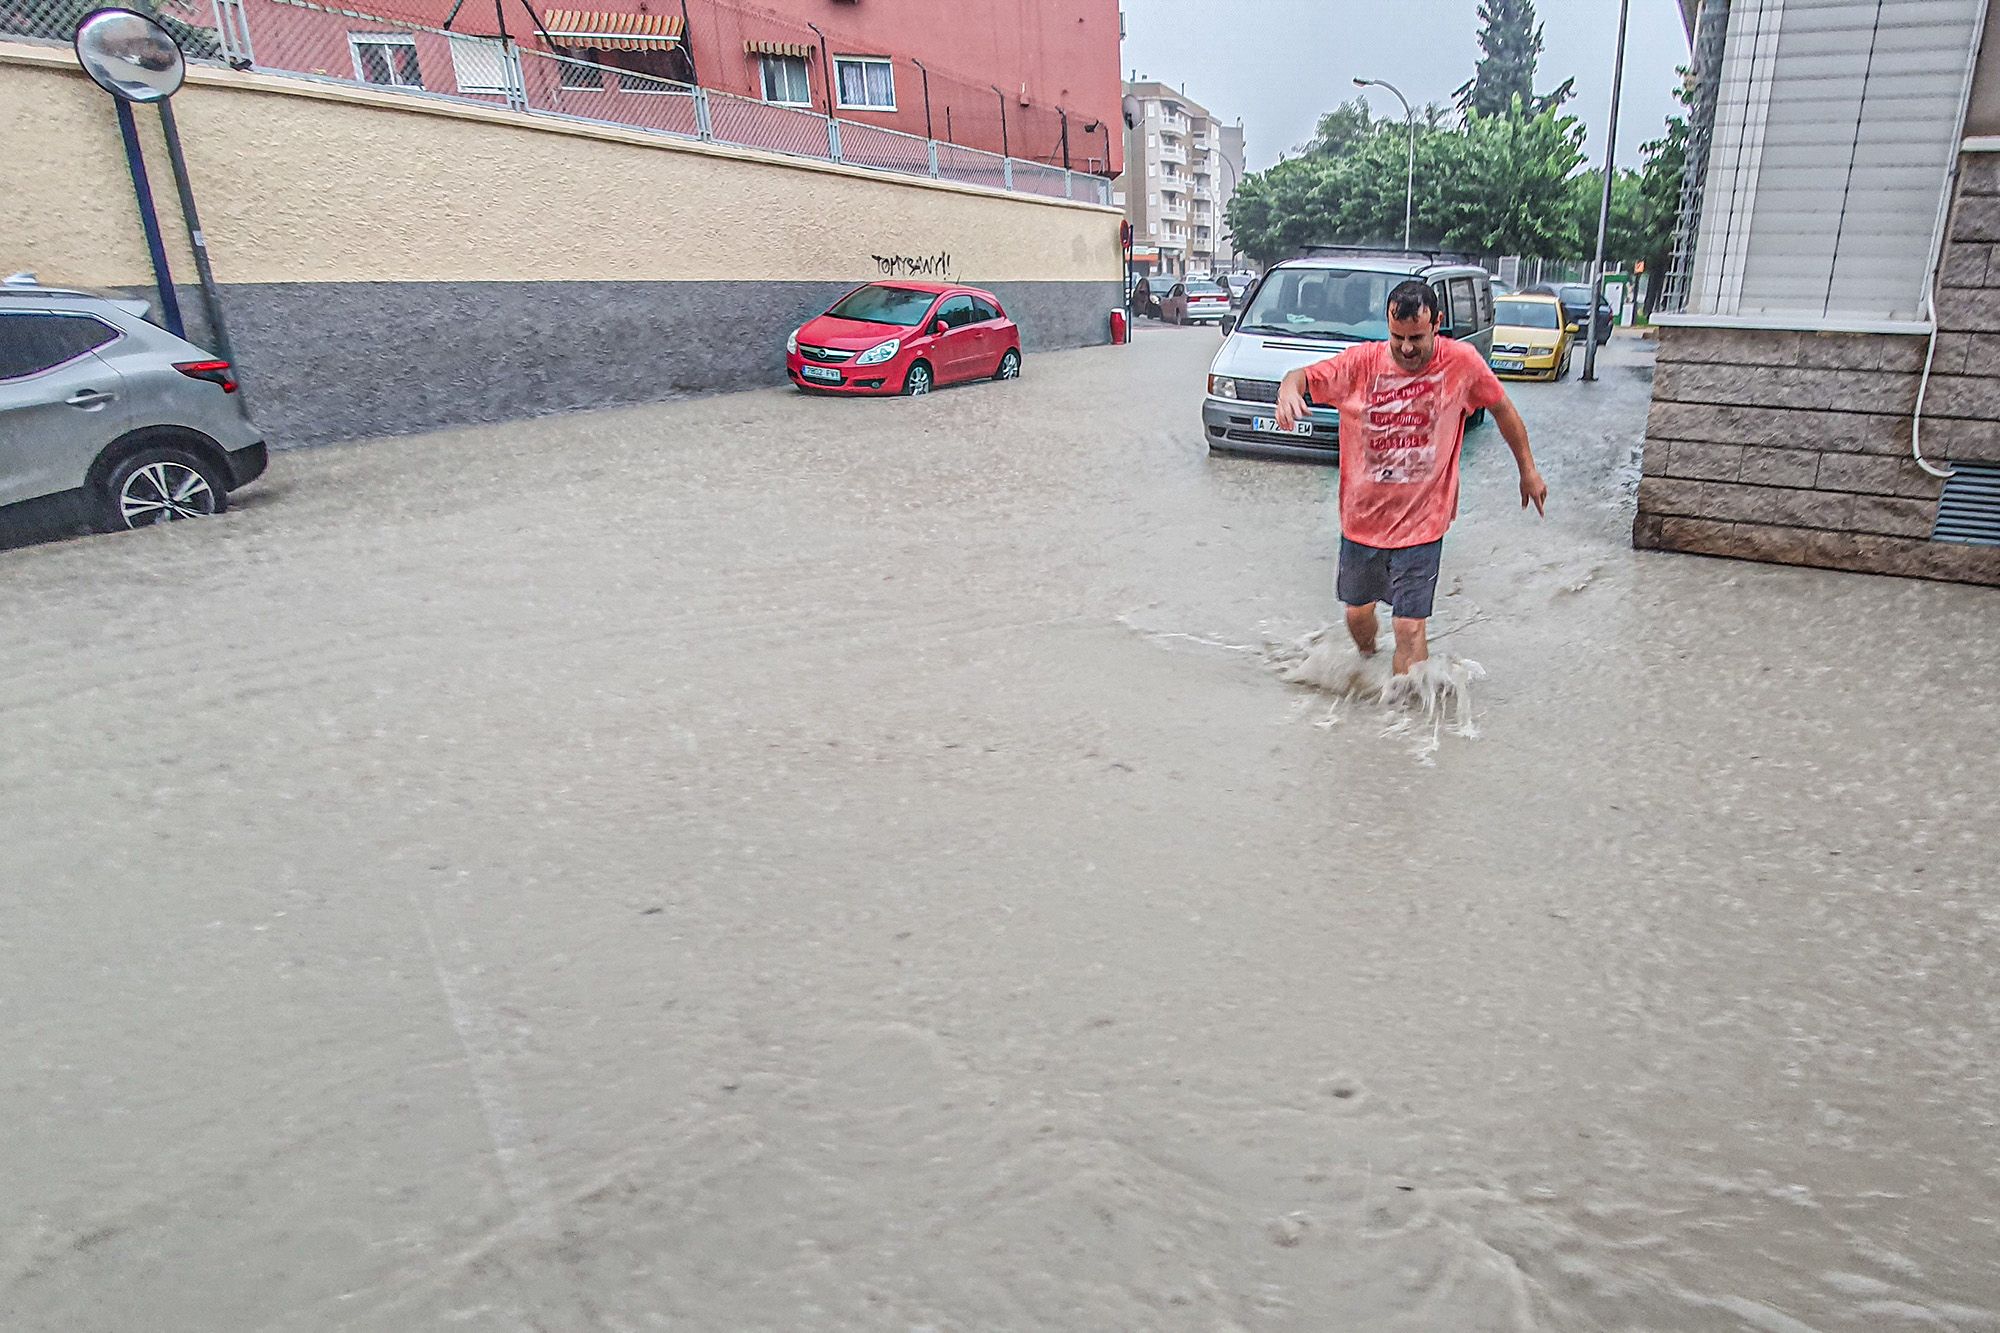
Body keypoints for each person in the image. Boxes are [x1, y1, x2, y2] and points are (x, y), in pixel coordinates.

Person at [1275, 279, 1547, 677]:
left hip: (1424, 524)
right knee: (1357, 616)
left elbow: (1502, 409)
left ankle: (1405, 728)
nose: (1406, 347)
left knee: (1409, 625)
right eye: (1397, 336)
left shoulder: (1462, 363)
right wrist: (1287, 391)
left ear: (1437, 323)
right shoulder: (1360, 364)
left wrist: (1528, 470)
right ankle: (1368, 663)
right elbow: (1299, 376)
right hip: (1361, 521)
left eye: (1416, 337)